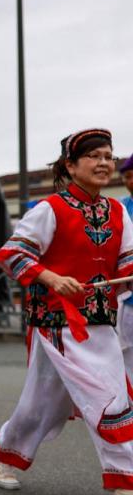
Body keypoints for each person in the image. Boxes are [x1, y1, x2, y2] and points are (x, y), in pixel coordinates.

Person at [0, 128, 133, 495]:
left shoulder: (117, 211)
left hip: (100, 320)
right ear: (70, 165)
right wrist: (51, 277)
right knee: (107, 394)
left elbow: (127, 261)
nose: (104, 163)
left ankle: (3, 450)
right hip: (56, 321)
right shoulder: (49, 209)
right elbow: (13, 254)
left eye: (109, 156)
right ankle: (127, 477)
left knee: (46, 403)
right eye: (94, 156)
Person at [119, 155, 133, 371]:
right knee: (127, 355)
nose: (130, 181)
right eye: (127, 177)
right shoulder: (120, 207)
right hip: (129, 298)